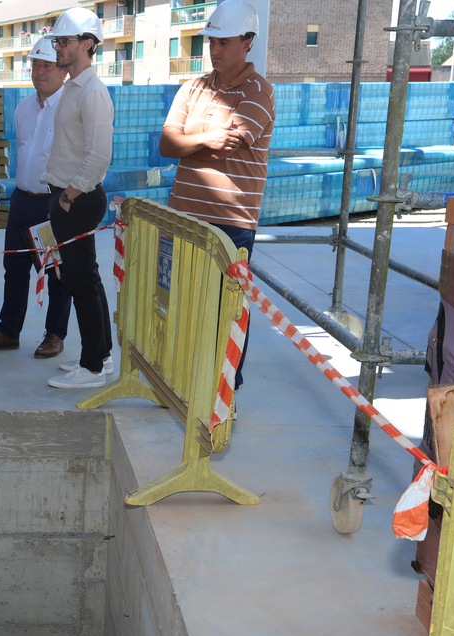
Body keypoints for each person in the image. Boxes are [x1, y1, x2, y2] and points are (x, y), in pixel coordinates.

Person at [159, 0, 274, 393]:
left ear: (247, 43)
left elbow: (229, 146)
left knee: (227, 310)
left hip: (231, 223)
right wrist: (206, 137)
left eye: (224, 41)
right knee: (186, 304)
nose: (215, 49)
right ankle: (190, 382)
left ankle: (226, 393)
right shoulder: (194, 86)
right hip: (185, 217)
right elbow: (165, 144)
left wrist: (188, 141)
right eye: (212, 41)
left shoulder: (260, 91)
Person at [0, 39, 72, 360]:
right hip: (22, 199)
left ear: (64, 71)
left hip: (53, 203)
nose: (39, 71)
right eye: (35, 64)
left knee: (57, 271)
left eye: (47, 65)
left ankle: (55, 334)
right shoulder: (23, 108)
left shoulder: (70, 108)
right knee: (14, 267)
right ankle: (9, 330)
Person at [40, 8, 115, 389]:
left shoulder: (93, 92)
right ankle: (100, 355)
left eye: (64, 41)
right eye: (57, 41)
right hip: (71, 196)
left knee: (81, 282)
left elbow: (99, 155)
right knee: (87, 278)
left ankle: (92, 368)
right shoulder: (74, 87)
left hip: (77, 197)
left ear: (87, 44)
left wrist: (67, 195)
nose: (59, 47)